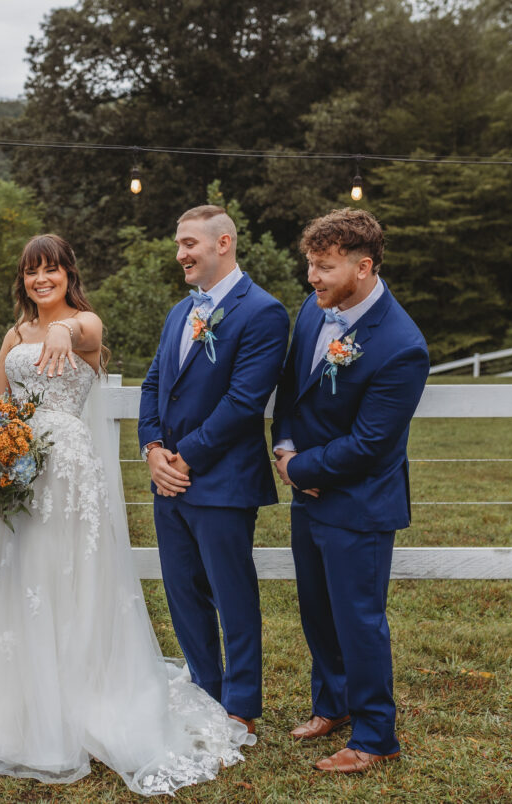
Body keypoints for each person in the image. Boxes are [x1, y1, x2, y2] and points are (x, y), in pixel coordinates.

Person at [0, 234, 255, 797]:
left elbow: (85, 335)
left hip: (71, 472)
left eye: (51, 270)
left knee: (71, 577)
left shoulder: (87, 323)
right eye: (32, 272)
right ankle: (14, 708)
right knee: (21, 575)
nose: (41, 280)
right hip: (21, 472)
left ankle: (83, 698)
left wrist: (60, 328)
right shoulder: (13, 334)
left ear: (67, 274)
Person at [272, 207, 428, 773]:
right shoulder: (315, 313)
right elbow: (290, 390)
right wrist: (285, 446)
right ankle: (332, 705)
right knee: (317, 611)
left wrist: (300, 470)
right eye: (310, 264)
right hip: (307, 493)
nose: (312, 277)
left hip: (359, 505)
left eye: (324, 267)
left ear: (363, 267)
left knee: (359, 620)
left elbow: (372, 445)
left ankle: (376, 736)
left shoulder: (402, 345)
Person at [137, 205, 290, 735]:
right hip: (168, 480)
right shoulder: (180, 311)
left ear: (222, 243)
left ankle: (242, 705)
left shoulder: (264, 312)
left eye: (188, 244)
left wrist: (186, 458)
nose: (180, 254)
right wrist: (153, 449)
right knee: (182, 591)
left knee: (232, 594)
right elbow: (155, 383)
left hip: (222, 480)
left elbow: (244, 401)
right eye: (179, 245)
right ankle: (206, 689)